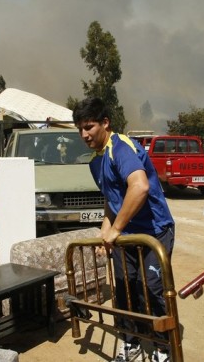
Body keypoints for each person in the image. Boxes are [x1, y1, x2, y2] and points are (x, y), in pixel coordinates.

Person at [73, 97, 175, 362]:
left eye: (89, 126)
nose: (84, 134)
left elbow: (139, 187)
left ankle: (163, 347)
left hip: (154, 231)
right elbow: (113, 198)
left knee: (151, 288)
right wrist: (105, 231)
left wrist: (115, 228)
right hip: (126, 236)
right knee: (124, 289)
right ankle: (131, 343)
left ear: (105, 123)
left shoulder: (122, 148)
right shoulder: (95, 161)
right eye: (80, 129)